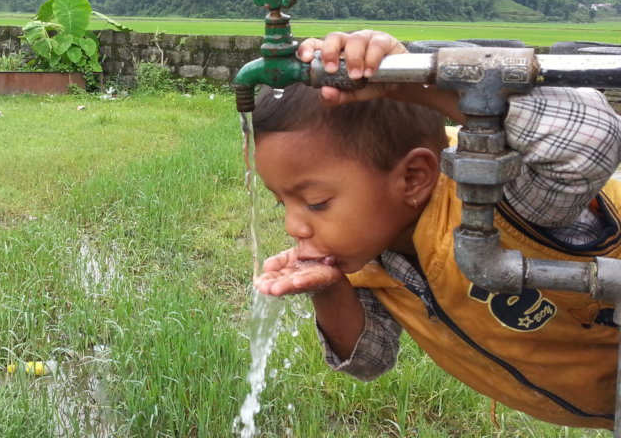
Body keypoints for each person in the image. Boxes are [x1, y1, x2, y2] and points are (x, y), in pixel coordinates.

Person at [252, 29, 621, 429]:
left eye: (317, 203)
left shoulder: (503, 194)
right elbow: (368, 359)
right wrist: (330, 289)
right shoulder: (369, 256)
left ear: (412, 178)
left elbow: (592, 139)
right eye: (281, 202)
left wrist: (414, 84)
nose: (292, 225)